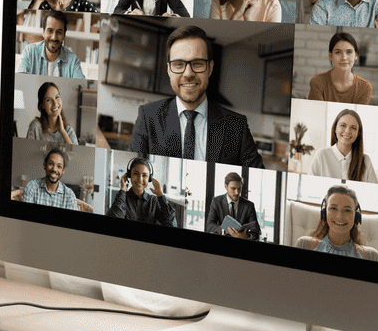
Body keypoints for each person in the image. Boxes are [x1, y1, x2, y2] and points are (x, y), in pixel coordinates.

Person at [127, 25, 263, 168]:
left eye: (197, 64)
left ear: (210, 68)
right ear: (169, 70)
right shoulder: (148, 117)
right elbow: (134, 171)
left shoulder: (237, 126)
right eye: (178, 64)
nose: (188, 74)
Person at [294, 185, 378, 260]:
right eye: (333, 208)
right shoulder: (304, 244)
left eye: (347, 210)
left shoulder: (371, 255)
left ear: (356, 217)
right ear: (324, 213)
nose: (339, 216)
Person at [11, 147, 92, 212]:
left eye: (59, 166)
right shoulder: (32, 187)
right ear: (45, 164)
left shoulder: (69, 196)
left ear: (63, 170)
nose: (54, 169)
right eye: (51, 164)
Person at [310, 108, 378, 183]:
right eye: (343, 125)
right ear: (335, 128)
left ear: (358, 133)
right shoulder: (321, 155)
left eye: (353, 128)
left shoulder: (365, 161)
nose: (347, 131)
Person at [106, 156, 177, 226]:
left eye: (144, 175)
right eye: (136, 173)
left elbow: (171, 224)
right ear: (129, 175)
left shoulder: (154, 201)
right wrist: (122, 190)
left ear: (150, 178)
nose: (140, 179)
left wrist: (161, 195)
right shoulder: (121, 198)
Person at [307, 32, 373, 104]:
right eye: (338, 52)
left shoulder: (365, 87)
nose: (344, 58)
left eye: (349, 52)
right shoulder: (317, 81)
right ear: (330, 56)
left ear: (356, 55)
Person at [16, 10, 84, 78]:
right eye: (50, 31)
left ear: (64, 36)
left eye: (59, 32)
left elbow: (81, 85)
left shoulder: (73, 61)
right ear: (43, 32)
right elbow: (20, 82)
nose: (54, 38)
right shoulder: (29, 52)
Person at [204, 171, 261, 239]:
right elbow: (209, 226)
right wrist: (225, 231)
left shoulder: (249, 205)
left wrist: (244, 236)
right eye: (233, 188)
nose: (237, 193)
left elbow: (257, 232)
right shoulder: (216, 201)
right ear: (226, 186)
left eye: (239, 189)